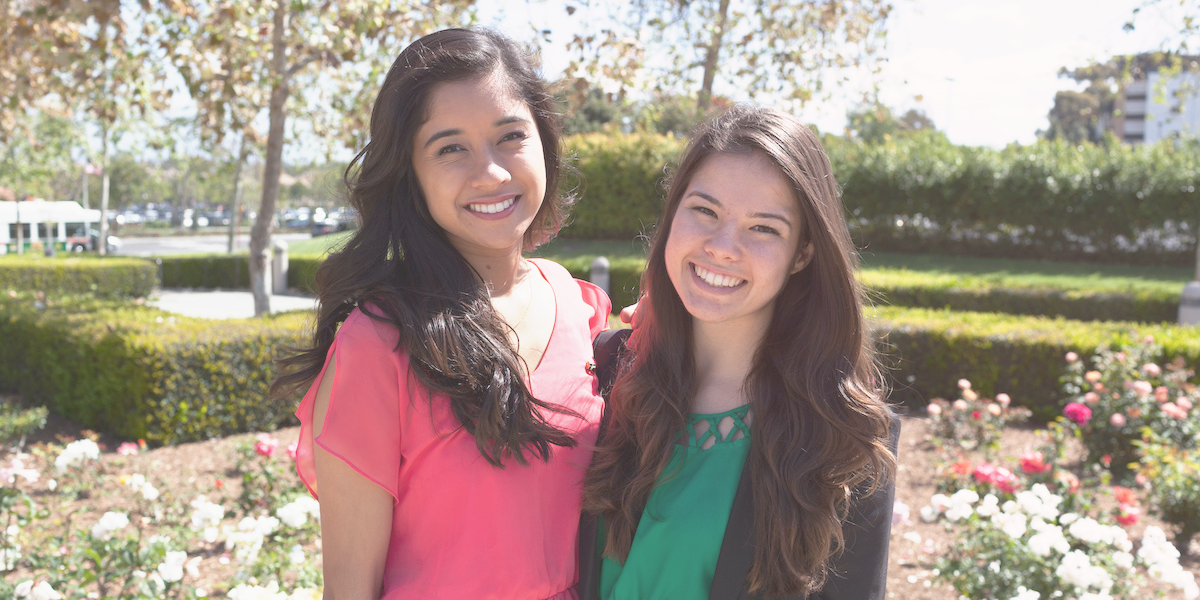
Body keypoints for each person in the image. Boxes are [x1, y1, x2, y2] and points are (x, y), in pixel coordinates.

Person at [271, 28, 610, 600]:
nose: (492, 173)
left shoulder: (579, 306)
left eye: (510, 137)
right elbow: (350, 589)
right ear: (412, 175)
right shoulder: (379, 343)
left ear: (544, 145)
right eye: (451, 147)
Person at [579, 104, 899, 600]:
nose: (723, 247)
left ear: (804, 254)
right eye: (704, 211)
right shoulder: (602, 370)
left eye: (764, 228)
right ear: (672, 214)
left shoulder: (844, 433)